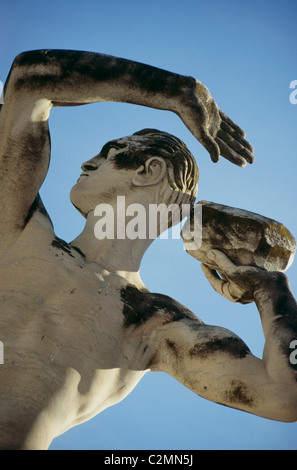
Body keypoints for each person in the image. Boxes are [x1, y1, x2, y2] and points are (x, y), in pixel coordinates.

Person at [0, 50, 296, 450]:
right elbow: (27, 79)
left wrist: (271, 292)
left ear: (148, 170)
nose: (87, 162)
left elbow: (285, 397)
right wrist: (175, 90)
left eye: (109, 152)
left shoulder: (154, 324)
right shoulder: (20, 228)